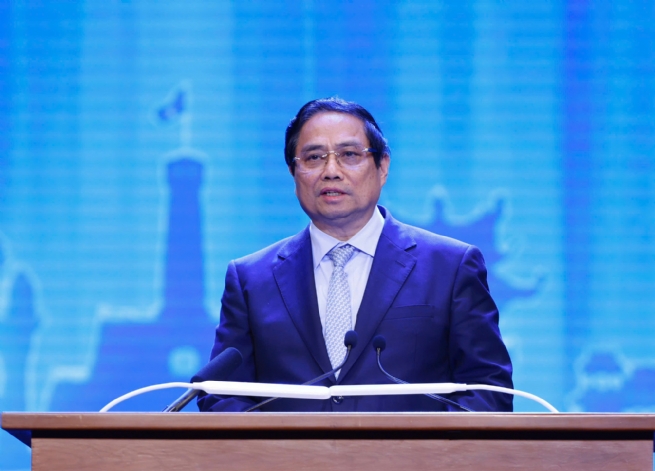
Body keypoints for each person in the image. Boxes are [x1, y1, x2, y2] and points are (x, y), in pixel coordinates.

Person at [198, 97, 513, 412]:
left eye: (349, 155)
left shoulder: (450, 267)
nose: (331, 171)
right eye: (314, 157)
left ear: (383, 167)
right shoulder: (251, 279)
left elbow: (488, 390)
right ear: (294, 174)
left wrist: (420, 443)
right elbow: (222, 394)